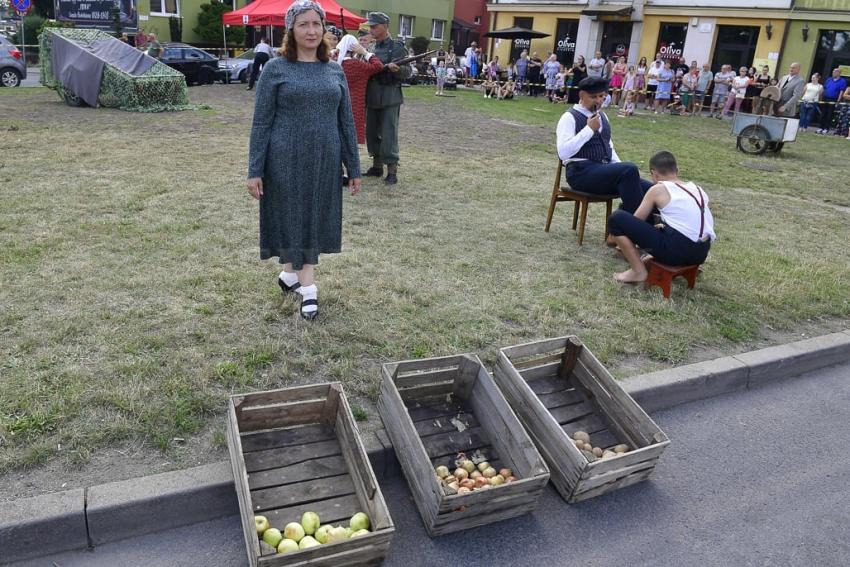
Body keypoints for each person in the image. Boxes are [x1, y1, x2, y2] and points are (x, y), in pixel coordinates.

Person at [246, 0, 360, 320]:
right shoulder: (275, 69)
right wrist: (255, 170)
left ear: (323, 28)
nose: (311, 31)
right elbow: (261, 123)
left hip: (325, 160)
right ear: (291, 30)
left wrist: (353, 166)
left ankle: (289, 276)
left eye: (316, 24)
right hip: (284, 159)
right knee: (296, 215)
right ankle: (308, 288)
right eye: (303, 24)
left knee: (312, 215)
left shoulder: (335, 70)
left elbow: (346, 122)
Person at [609, 151, 715, 284]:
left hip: (677, 251)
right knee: (663, 231)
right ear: (677, 170)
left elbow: (636, 221)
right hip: (701, 253)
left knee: (617, 219)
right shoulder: (698, 189)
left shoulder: (658, 189)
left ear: (654, 173)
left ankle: (637, 271)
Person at [555, 77, 653, 217]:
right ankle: (635, 227)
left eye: (601, 96)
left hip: (602, 170)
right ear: (582, 95)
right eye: (593, 97)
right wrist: (588, 130)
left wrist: (619, 168)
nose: (599, 100)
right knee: (629, 169)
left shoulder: (603, 116)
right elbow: (563, 153)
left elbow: (609, 147)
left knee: (653, 189)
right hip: (580, 173)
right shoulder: (569, 117)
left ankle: (637, 224)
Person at [364, 12, 410, 185]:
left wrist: (396, 69)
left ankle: (391, 170)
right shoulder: (372, 49)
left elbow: (408, 72)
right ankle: (376, 166)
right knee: (372, 132)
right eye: (370, 26)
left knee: (389, 133)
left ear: (385, 26)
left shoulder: (397, 47)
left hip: (390, 96)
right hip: (372, 95)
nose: (371, 29)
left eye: (374, 26)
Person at [337, 34, 384, 145]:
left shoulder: (334, 64)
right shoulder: (358, 66)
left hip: (337, 104)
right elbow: (379, 66)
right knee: (351, 140)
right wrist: (366, 53)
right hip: (355, 106)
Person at [819, 68, 848, 134]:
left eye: (835, 72)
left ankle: (826, 128)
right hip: (825, 98)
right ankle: (821, 127)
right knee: (823, 113)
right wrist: (821, 97)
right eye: (833, 72)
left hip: (833, 99)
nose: (833, 73)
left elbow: (841, 91)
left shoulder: (842, 81)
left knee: (829, 114)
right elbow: (824, 88)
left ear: (839, 73)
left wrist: (838, 100)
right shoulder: (829, 79)